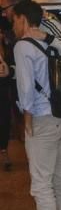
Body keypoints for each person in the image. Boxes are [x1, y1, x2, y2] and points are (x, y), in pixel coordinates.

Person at [1, 0, 61, 210]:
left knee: (44, 183)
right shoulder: (20, 37)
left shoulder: (47, 23)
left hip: (46, 113)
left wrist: (45, 37)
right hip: (54, 112)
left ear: (18, 9)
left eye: (5, 8)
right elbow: (38, 73)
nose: (3, 14)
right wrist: (10, 71)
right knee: (56, 180)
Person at [12, 1, 61, 210]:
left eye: (13, 19)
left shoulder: (23, 45)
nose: (12, 25)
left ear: (24, 19)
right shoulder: (48, 41)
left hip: (43, 120)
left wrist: (27, 120)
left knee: (41, 186)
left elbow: (26, 89)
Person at [0, 20, 14, 170]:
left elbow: (12, 68)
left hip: (3, 90)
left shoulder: (8, 48)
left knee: (4, 122)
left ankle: (4, 152)